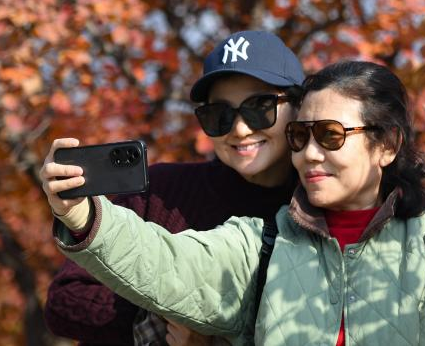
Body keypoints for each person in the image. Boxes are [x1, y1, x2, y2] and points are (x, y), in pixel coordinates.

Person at [41, 60, 425, 345]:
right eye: (300, 136)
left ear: (387, 144)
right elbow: (165, 261)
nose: (309, 153)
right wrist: (83, 215)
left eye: (330, 136)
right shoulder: (261, 242)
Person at [44, 30, 304, 346]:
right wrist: (163, 322)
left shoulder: (318, 206)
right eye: (218, 115)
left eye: (260, 107)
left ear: (299, 107)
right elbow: (65, 301)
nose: (240, 129)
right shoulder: (162, 191)